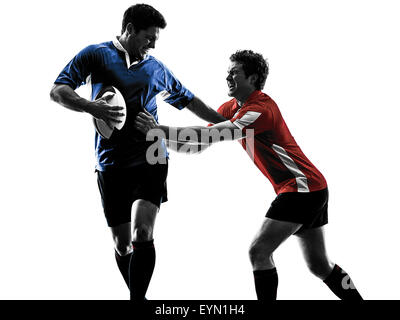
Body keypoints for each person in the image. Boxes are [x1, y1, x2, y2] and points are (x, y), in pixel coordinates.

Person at [134, 50, 363, 300]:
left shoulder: (261, 110)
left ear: (252, 79)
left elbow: (211, 135)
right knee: (319, 266)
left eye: (234, 73)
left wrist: (160, 129)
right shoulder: (233, 107)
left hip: (301, 189)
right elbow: (198, 144)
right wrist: (159, 136)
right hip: (311, 188)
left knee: (259, 252)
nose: (227, 77)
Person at [50, 4, 225, 300]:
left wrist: (230, 126)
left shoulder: (155, 68)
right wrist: (91, 106)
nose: (153, 45)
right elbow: (58, 90)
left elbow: (191, 101)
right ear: (130, 29)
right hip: (110, 163)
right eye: (149, 37)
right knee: (122, 244)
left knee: (142, 232)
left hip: (151, 157)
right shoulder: (95, 55)